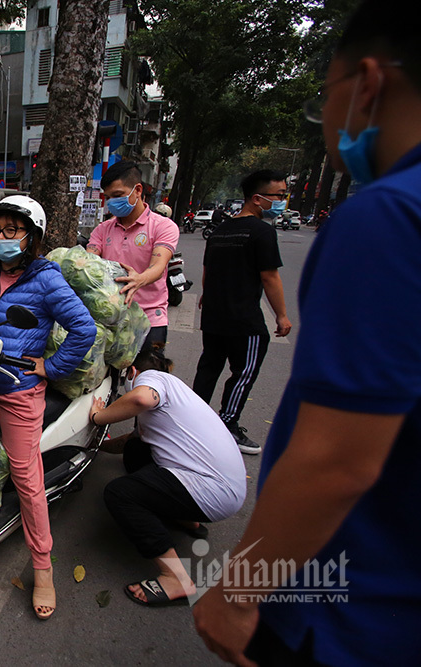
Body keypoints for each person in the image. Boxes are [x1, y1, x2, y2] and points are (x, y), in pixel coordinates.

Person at [193, 3, 421, 664]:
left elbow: (337, 459)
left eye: (326, 93)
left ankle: (226, 426)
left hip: (349, 607)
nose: (327, 115)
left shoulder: (388, 218)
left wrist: (238, 591)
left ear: (368, 83)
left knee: (225, 375)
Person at [0, 195, 95, 620]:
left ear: (31, 237)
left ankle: (43, 567)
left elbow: (83, 329)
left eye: (12, 231)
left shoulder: (47, 281)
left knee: (26, 477)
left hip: (18, 389)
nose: (2, 238)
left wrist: (51, 367)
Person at [91, 345, 246, 607]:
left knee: (119, 494)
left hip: (212, 490)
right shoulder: (177, 392)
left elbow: (141, 399)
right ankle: (187, 519)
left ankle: (176, 578)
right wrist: (95, 447)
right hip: (225, 484)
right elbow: (131, 440)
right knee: (136, 450)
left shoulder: (151, 379)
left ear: (132, 371)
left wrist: (98, 417)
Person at [192, 170, 292, 455]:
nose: (282, 200)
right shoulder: (262, 232)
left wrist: (207, 297)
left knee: (208, 369)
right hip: (244, 320)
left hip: (213, 316)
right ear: (258, 199)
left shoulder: (221, 229)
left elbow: (207, 270)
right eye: (279, 196)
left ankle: (193, 421)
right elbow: (269, 277)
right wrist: (282, 315)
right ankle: (228, 424)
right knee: (244, 372)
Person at [87, 161, 179, 350]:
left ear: (137, 190)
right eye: (108, 197)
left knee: (147, 377)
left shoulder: (163, 226)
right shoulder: (102, 230)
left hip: (150, 319)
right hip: (109, 319)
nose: (112, 202)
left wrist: (140, 279)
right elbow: (89, 261)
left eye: (118, 195)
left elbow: (158, 264)